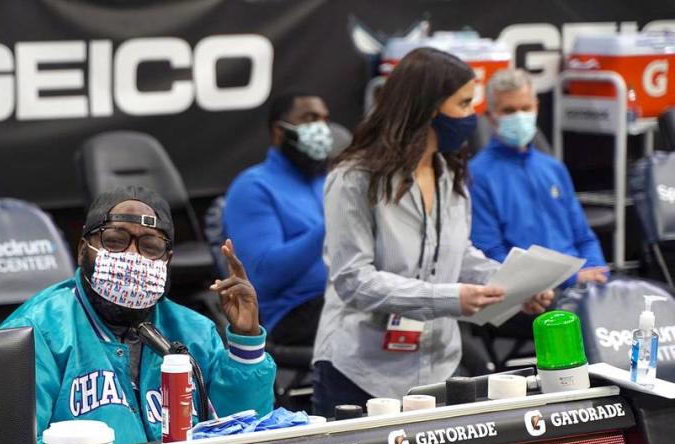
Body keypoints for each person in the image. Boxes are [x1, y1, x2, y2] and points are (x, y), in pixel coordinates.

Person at [312, 48, 553, 414]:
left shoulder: (449, 171)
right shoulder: (354, 178)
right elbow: (353, 280)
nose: (473, 116)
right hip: (359, 372)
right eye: (463, 104)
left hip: (438, 368)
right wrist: (449, 298)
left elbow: (457, 253)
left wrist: (511, 286)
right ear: (426, 109)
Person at [1, 185, 275, 444]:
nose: (133, 256)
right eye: (115, 241)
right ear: (83, 250)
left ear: (167, 260)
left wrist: (246, 344)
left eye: (150, 246)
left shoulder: (194, 331)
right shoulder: (36, 331)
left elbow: (242, 435)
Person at [470, 68, 609, 286]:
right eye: (508, 110)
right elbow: (491, 256)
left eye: (525, 108)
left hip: (581, 287)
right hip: (526, 296)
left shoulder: (553, 168)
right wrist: (569, 280)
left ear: (536, 107)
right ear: (490, 117)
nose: (519, 116)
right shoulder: (477, 175)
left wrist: (597, 273)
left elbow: (584, 238)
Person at [223, 90, 332, 345]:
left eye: (324, 119)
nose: (321, 128)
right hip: (293, 313)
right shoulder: (252, 187)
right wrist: (333, 225)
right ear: (279, 131)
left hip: (344, 299)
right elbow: (263, 277)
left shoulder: (328, 180)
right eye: (309, 118)